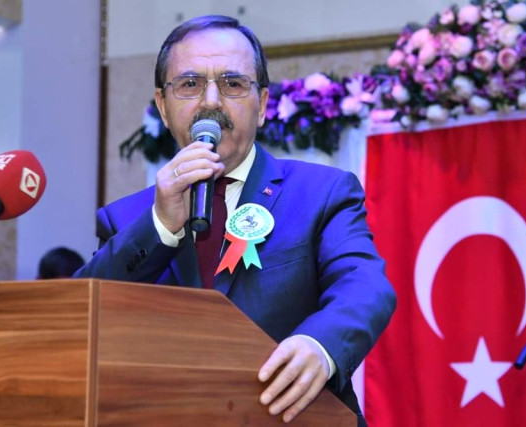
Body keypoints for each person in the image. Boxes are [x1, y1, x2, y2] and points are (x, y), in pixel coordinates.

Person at [74, 15, 396, 424]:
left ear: (261, 105)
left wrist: (321, 345)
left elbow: (365, 286)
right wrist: (160, 225)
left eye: (232, 83)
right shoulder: (126, 218)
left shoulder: (322, 192)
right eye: (190, 84)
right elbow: (81, 317)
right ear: (163, 107)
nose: (211, 101)